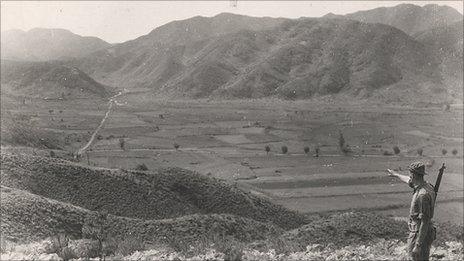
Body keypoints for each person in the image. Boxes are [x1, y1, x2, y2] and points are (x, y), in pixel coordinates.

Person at [387, 162, 437, 261]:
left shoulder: (422, 195)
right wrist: (396, 174)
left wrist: (417, 245)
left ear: (413, 174)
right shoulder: (426, 186)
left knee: (414, 258)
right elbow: (408, 180)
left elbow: (424, 222)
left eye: (410, 173)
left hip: (418, 234)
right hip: (423, 233)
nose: (409, 176)